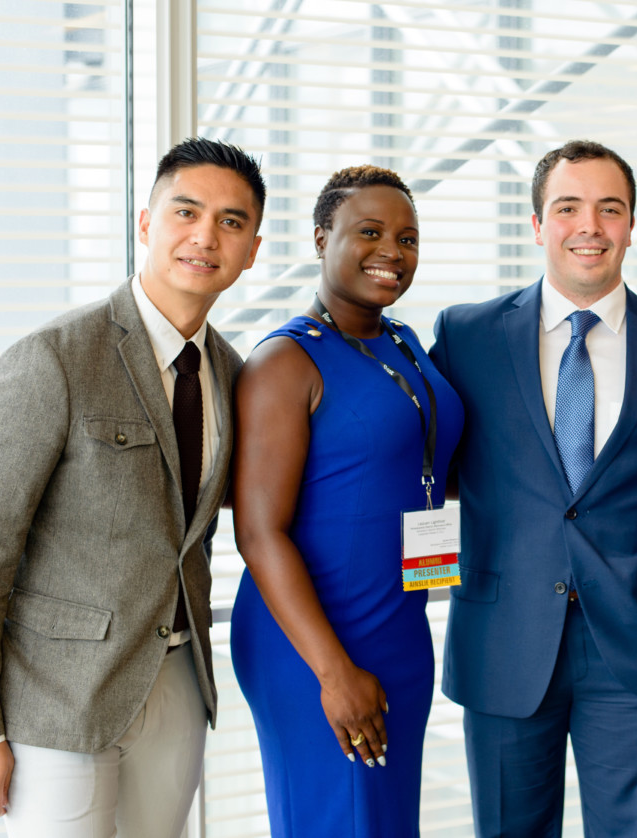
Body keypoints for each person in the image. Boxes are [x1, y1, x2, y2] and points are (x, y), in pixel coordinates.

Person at [0, 137, 264, 835]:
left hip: (178, 684)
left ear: (251, 251)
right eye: (186, 212)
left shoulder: (235, 375)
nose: (205, 236)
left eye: (231, 222)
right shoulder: (53, 359)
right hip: (54, 699)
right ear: (146, 224)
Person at [429, 140, 637, 838]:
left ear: (631, 223)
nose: (589, 226)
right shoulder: (467, 335)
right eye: (567, 207)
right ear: (537, 224)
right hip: (502, 642)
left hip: (636, 647)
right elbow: (425, 480)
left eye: (609, 208)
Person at [229, 165, 463, 837]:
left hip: (399, 627)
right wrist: (333, 673)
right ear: (320, 237)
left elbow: (419, 472)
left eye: (407, 237)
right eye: (369, 231)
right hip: (316, 644)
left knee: (386, 823)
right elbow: (258, 532)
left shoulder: (403, 343)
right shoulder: (285, 362)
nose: (392, 250)